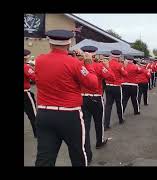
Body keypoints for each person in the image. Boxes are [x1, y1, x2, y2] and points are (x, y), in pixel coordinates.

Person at [34, 29, 98, 166]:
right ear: (69, 44)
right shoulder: (74, 63)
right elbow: (93, 84)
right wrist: (88, 64)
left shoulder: (39, 61)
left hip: (44, 113)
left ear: (50, 44)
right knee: (78, 155)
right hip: (69, 115)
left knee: (44, 157)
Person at [79, 46, 115, 164]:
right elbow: (111, 78)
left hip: (82, 98)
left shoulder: (78, 64)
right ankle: (99, 142)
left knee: (86, 126)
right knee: (99, 122)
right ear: (94, 54)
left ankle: (86, 152)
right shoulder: (99, 66)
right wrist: (107, 67)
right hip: (95, 98)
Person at [104, 50, 128, 129]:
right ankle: (120, 119)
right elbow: (125, 74)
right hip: (116, 86)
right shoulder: (119, 65)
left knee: (108, 105)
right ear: (118, 57)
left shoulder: (107, 64)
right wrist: (124, 66)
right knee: (119, 103)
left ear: (111, 56)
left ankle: (106, 124)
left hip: (108, 85)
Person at [24, 49, 37, 138]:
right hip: (25, 93)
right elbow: (34, 77)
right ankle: (37, 133)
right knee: (33, 114)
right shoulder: (26, 67)